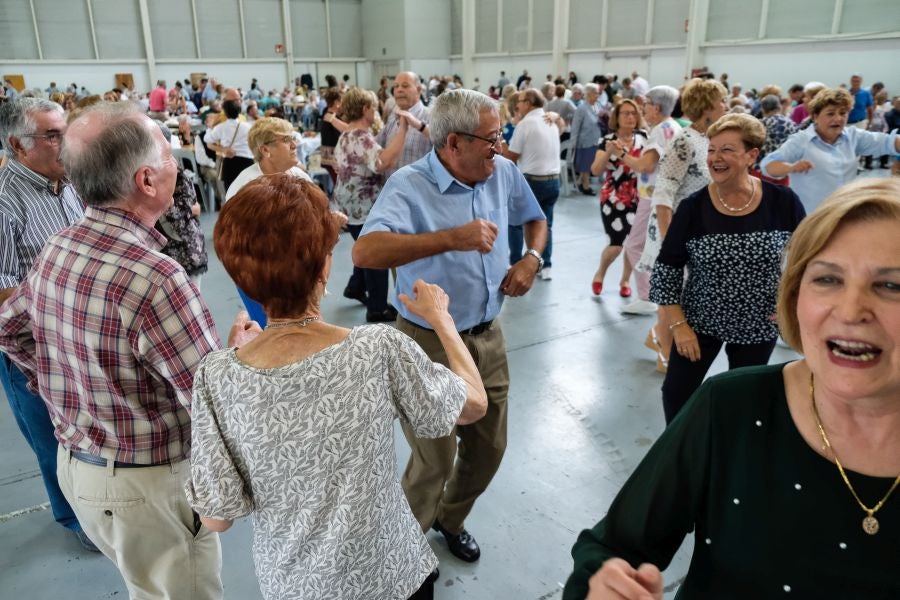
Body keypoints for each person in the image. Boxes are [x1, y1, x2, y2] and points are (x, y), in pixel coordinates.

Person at [562, 177, 900, 599]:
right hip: (705, 324)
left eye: (890, 285)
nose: (851, 311)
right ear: (795, 293)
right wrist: (604, 586)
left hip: (750, 329)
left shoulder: (781, 201)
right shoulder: (732, 407)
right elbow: (612, 548)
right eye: (827, 279)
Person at [0, 102, 261, 598]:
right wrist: (236, 358)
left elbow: (10, 331)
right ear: (147, 180)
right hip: (148, 488)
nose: (175, 168)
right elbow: (212, 402)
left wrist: (72, 389)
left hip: (80, 469)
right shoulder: (157, 278)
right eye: (168, 158)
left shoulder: (58, 247)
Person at [187, 173, 487, 600]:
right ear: (324, 264)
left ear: (242, 275)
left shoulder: (216, 377)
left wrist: (241, 358)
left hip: (296, 586)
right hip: (392, 573)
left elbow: (216, 518)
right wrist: (442, 320)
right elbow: (473, 404)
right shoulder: (376, 349)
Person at [353, 89, 547, 564]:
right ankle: (404, 547)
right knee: (433, 460)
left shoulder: (502, 173)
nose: (499, 147)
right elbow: (366, 252)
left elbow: (535, 219)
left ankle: (450, 518)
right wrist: (449, 239)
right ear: (454, 142)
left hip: (487, 336)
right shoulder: (409, 185)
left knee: (489, 449)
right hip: (426, 342)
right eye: (492, 137)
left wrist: (531, 258)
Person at [650, 114, 805, 423]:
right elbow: (666, 269)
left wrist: (791, 306)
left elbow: (809, 259)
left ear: (751, 155)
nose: (715, 158)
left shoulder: (782, 201)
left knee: (746, 403)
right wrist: (679, 327)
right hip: (698, 323)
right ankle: (680, 456)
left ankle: (733, 458)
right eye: (711, 150)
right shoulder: (693, 208)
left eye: (727, 150)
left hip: (757, 325)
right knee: (677, 395)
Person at [0, 98, 93, 551]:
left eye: (64, 131)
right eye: (52, 136)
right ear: (19, 145)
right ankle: (72, 517)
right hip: (29, 348)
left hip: (75, 337)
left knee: (78, 428)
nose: (65, 142)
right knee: (48, 436)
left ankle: (89, 504)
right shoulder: (4, 203)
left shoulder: (67, 184)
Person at [637, 78, 728, 374]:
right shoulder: (685, 140)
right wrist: (670, 239)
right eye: (721, 102)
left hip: (702, 229)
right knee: (674, 292)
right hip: (675, 227)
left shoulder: (710, 140)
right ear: (706, 107)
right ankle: (664, 348)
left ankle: (656, 337)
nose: (726, 106)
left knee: (687, 292)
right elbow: (663, 192)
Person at [333, 87, 411, 323]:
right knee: (377, 254)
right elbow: (384, 162)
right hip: (363, 206)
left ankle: (355, 287)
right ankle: (377, 309)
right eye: (374, 107)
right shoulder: (362, 137)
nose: (376, 111)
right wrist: (404, 129)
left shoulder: (347, 134)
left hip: (347, 204)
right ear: (366, 109)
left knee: (364, 243)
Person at [761, 87, 900, 213]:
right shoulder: (801, 141)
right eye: (830, 113)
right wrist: (791, 168)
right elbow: (767, 165)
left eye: (843, 113)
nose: (838, 118)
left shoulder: (854, 136)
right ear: (815, 116)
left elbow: (887, 142)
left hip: (844, 212)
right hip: (810, 217)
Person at [616, 85, 682, 317]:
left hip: (652, 196)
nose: (642, 110)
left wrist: (621, 155)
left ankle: (646, 295)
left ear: (655, 107)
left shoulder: (659, 131)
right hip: (665, 195)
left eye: (645, 106)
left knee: (635, 244)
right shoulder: (674, 127)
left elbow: (646, 165)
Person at [589, 99, 648, 298]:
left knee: (634, 243)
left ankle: (625, 280)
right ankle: (600, 273)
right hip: (612, 198)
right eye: (625, 113)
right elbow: (596, 170)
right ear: (617, 117)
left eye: (634, 113)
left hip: (637, 197)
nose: (630, 117)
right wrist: (609, 153)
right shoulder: (607, 140)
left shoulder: (644, 138)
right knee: (616, 244)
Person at [502, 89, 561, 281]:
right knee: (546, 225)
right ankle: (546, 266)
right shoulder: (550, 121)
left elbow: (511, 157)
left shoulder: (525, 124)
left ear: (529, 103)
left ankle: (516, 263)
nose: (517, 105)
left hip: (531, 181)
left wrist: (500, 141)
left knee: (516, 223)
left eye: (520, 101)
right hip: (553, 181)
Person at [153, 122, 208, 287]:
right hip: (169, 251)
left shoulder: (173, 172)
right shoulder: (152, 171)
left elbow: (180, 212)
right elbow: (192, 208)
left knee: (190, 302)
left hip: (182, 250)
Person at [376, 71, 432, 178]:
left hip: (419, 191)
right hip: (390, 190)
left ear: (418, 89)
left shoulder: (430, 116)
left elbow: (443, 142)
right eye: (396, 86)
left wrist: (419, 125)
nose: (399, 90)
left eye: (405, 86)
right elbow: (376, 145)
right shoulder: (393, 116)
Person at [204, 98, 253, 194]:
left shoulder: (221, 127)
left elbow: (207, 139)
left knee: (231, 193)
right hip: (247, 161)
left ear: (225, 113)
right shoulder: (248, 126)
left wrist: (209, 128)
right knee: (248, 193)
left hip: (230, 163)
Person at [570, 83, 605, 195]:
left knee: (589, 163)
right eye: (596, 93)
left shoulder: (595, 106)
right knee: (586, 165)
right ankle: (586, 186)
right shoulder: (581, 108)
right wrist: (573, 143)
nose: (598, 95)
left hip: (595, 140)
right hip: (585, 141)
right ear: (588, 94)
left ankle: (580, 182)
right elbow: (575, 126)